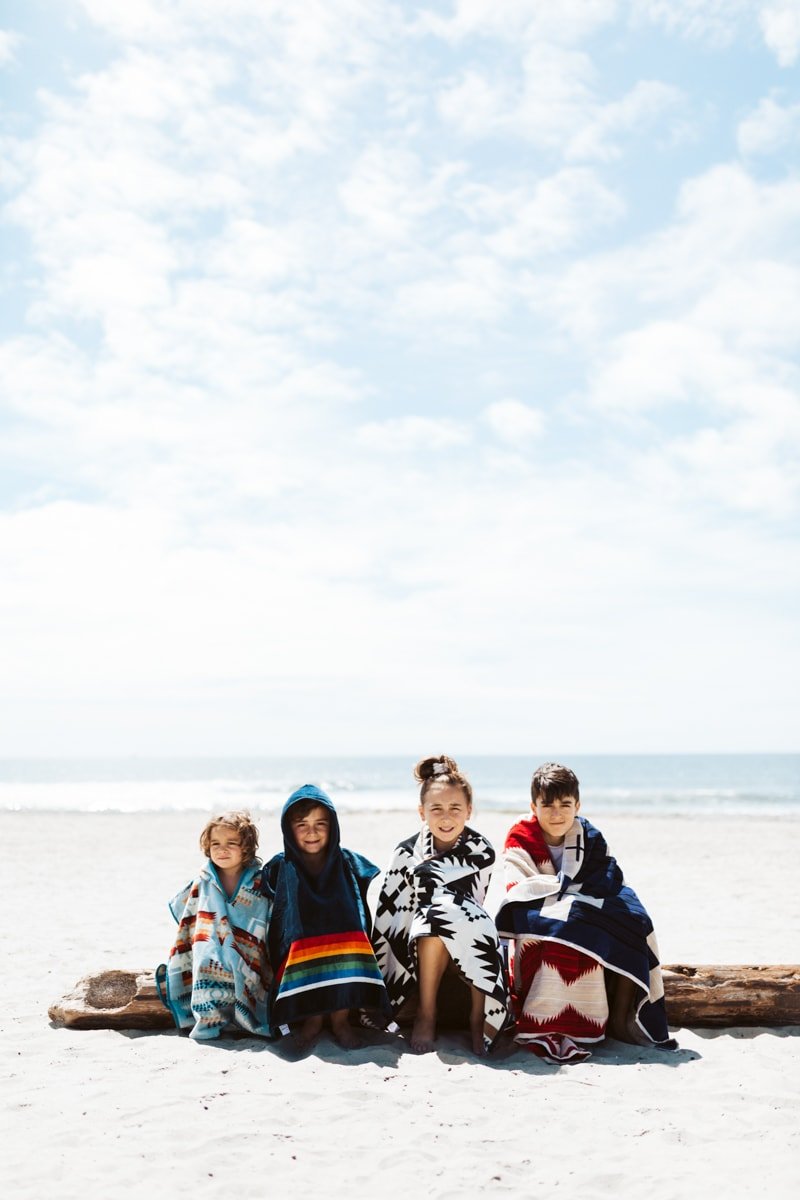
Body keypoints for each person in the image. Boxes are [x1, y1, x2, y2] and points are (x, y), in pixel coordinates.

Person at [495, 762, 676, 1063]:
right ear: (533, 806)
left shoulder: (589, 836)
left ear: (577, 805)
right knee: (567, 928)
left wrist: (573, 897)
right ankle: (548, 1024)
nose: (557, 813)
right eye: (547, 805)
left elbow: (609, 879)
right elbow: (518, 889)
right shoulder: (520, 836)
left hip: (578, 902)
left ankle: (618, 1017)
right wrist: (563, 892)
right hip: (536, 909)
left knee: (635, 921)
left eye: (565, 805)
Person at [372, 755, 510, 1055]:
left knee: (456, 917)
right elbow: (390, 913)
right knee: (431, 921)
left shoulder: (481, 850)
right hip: (421, 946)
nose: (446, 818)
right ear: (422, 812)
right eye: (436, 809)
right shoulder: (407, 853)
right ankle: (426, 1013)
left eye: (454, 808)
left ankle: (478, 1018)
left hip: (469, 937)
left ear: (469, 811)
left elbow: (471, 903)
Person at [261, 784, 389, 1049]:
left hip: (345, 941)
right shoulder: (281, 865)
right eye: (302, 824)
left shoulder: (347, 861)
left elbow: (361, 904)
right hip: (300, 942)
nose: (312, 832)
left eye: (321, 823)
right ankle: (314, 1019)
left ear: (333, 827)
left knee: (348, 934)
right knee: (302, 936)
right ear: (288, 828)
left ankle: (340, 1019)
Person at [156, 810, 272, 1041]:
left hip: (247, 949)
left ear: (246, 847)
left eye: (232, 843)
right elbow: (188, 911)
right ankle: (208, 1021)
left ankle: (244, 1016)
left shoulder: (258, 882)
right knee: (205, 960)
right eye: (215, 843)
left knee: (242, 965)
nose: (222, 849)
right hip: (209, 946)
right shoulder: (204, 880)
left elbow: (264, 917)